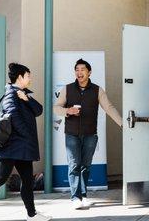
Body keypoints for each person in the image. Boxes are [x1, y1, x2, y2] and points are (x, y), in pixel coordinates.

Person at [0, 63, 51, 221]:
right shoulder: (10, 94)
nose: (30, 78)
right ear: (20, 77)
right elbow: (14, 117)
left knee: (28, 182)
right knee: (0, 179)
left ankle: (32, 215)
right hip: (12, 147)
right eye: (28, 75)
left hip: (22, 147)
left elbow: (39, 110)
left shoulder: (22, 94)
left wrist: (27, 98)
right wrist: (27, 134)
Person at [53, 58, 123, 210]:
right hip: (71, 134)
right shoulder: (68, 89)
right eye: (77, 70)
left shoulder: (97, 90)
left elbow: (109, 107)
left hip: (90, 134)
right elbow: (56, 107)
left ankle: (83, 196)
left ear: (89, 72)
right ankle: (75, 197)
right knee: (74, 165)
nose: (79, 72)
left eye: (82, 70)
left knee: (85, 166)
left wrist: (122, 123)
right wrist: (67, 111)